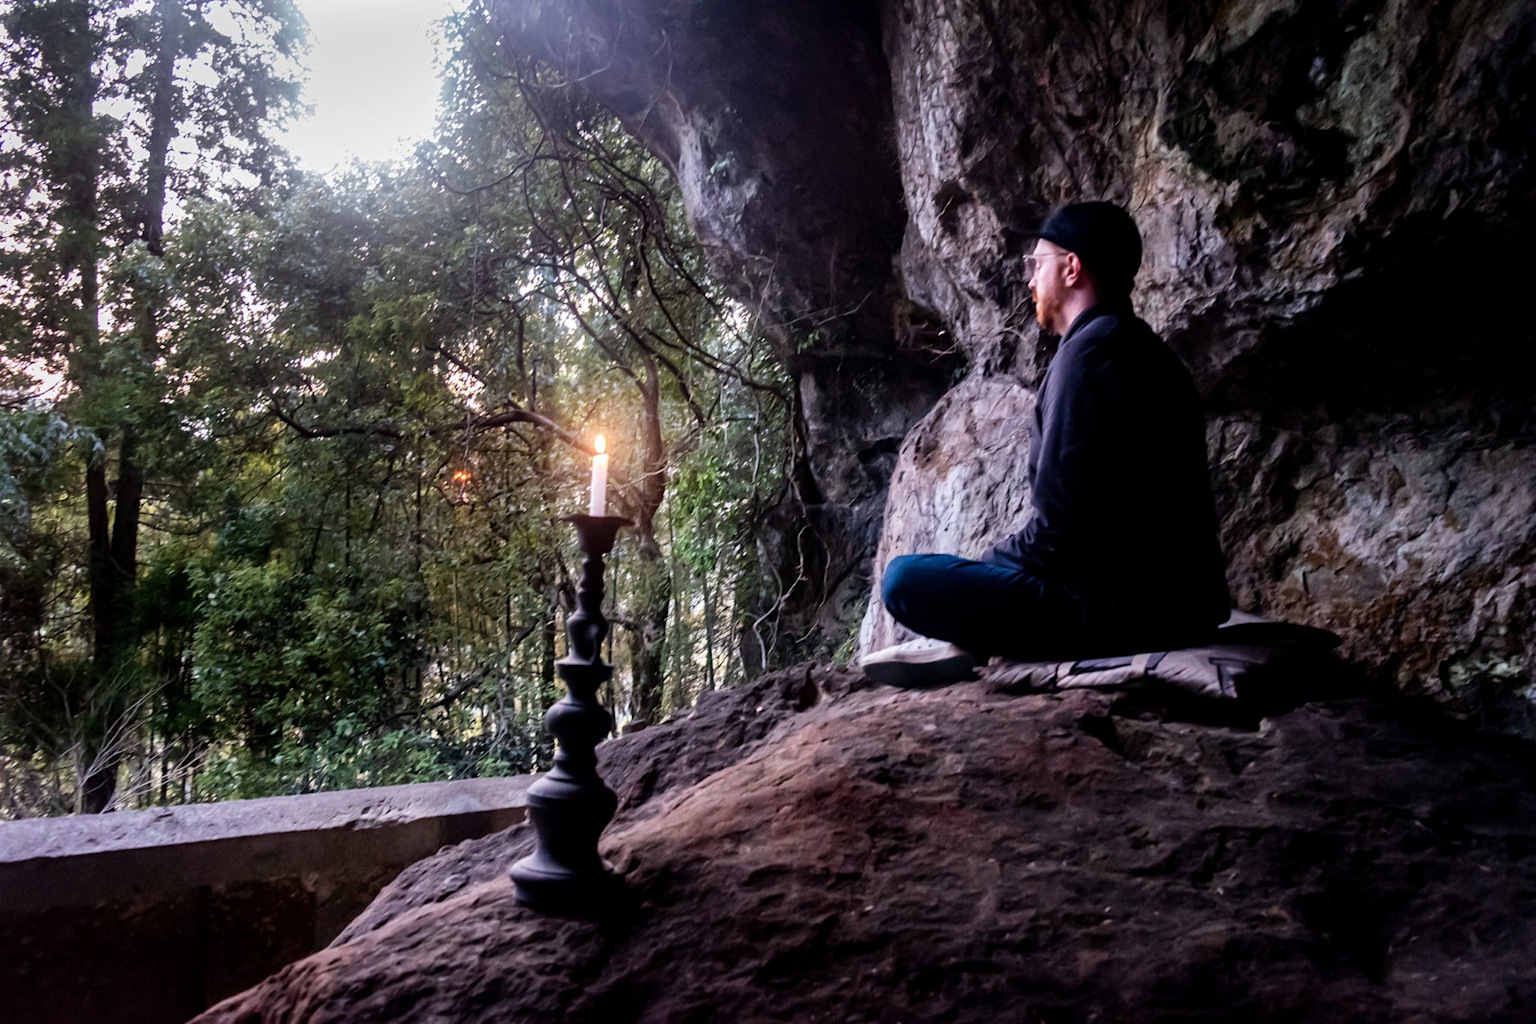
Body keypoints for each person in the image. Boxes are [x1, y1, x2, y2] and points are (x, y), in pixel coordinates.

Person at [861, 201, 1230, 687]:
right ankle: (980, 637)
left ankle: (982, 641)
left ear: (1072, 268)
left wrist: (980, 570)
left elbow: (1059, 533)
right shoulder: (1142, 349)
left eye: (1037, 265)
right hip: (1181, 605)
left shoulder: (1088, 358)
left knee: (906, 580)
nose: (1030, 280)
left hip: (1121, 613)